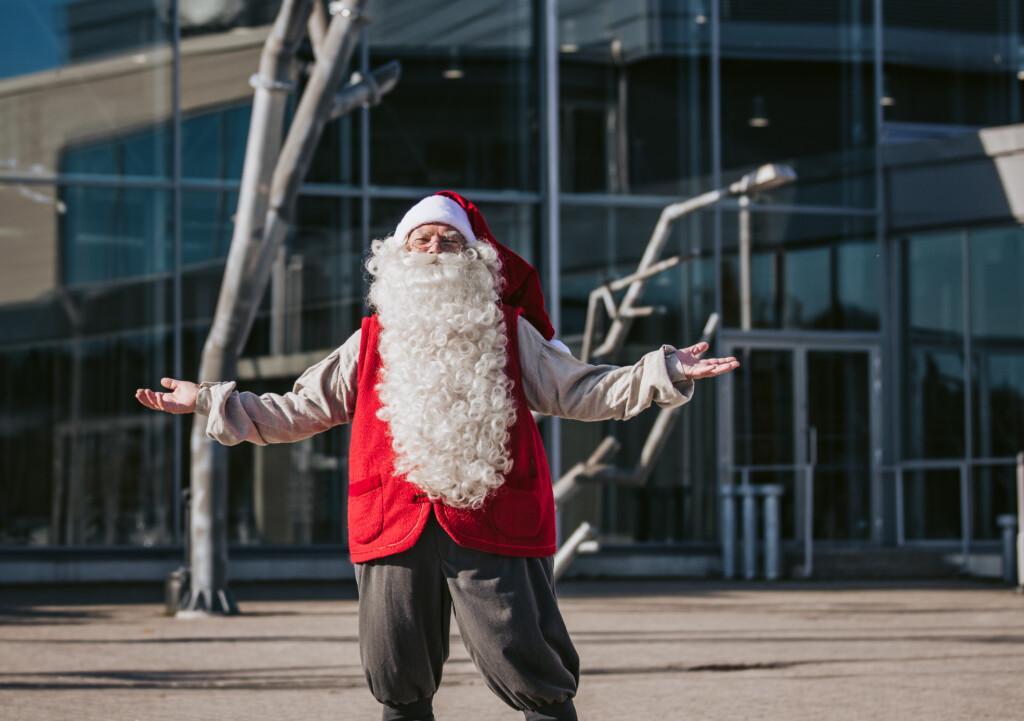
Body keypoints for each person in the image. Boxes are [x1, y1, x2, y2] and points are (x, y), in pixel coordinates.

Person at [136, 191, 740, 721]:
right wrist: (208, 400)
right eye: (420, 239)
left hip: (493, 519)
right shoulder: (368, 340)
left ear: (474, 258)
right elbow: (298, 409)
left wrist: (661, 371)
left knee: (528, 662)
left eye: (448, 239)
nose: (433, 248)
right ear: (398, 258)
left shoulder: (509, 329)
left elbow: (579, 390)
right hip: (393, 523)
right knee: (396, 673)